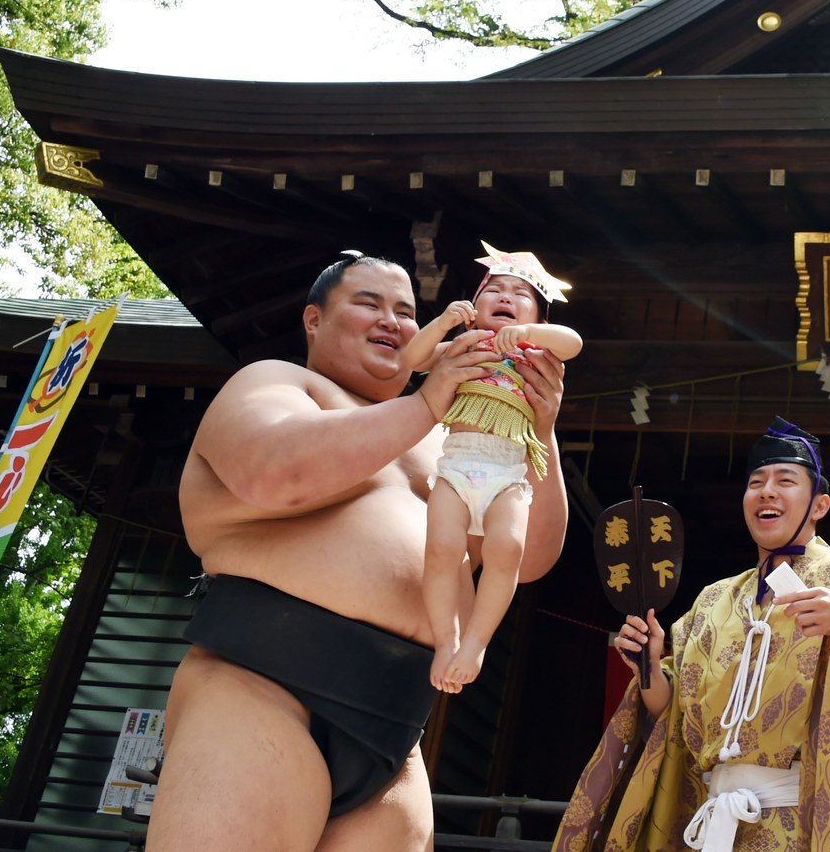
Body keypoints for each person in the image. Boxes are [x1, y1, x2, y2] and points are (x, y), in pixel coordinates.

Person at [147, 252, 570, 852]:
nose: (392, 321)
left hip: (397, 726)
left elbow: (529, 560)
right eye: (368, 303)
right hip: (262, 685)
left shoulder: (457, 439)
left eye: (405, 311)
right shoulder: (278, 382)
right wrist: (425, 404)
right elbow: (273, 472)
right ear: (314, 319)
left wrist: (541, 429)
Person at [554, 418, 830, 852]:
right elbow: (674, 717)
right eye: (756, 482)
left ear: (819, 505)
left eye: (785, 481)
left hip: (803, 823)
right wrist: (649, 668)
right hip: (716, 818)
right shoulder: (713, 601)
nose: (767, 491)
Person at [395, 244, 584, 692]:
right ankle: (448, 641)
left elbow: (573, 343)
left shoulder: (539, 355)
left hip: (508, 476)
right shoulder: (464, 344)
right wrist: (444, 322)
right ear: (475, 308)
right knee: (441, 550)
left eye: (521, 294)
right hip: (456, 465)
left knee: (506, 552)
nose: (504, 296)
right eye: (493, 290)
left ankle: (477, 643)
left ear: (539, 315)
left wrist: (528, 335)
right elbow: (412, 360)